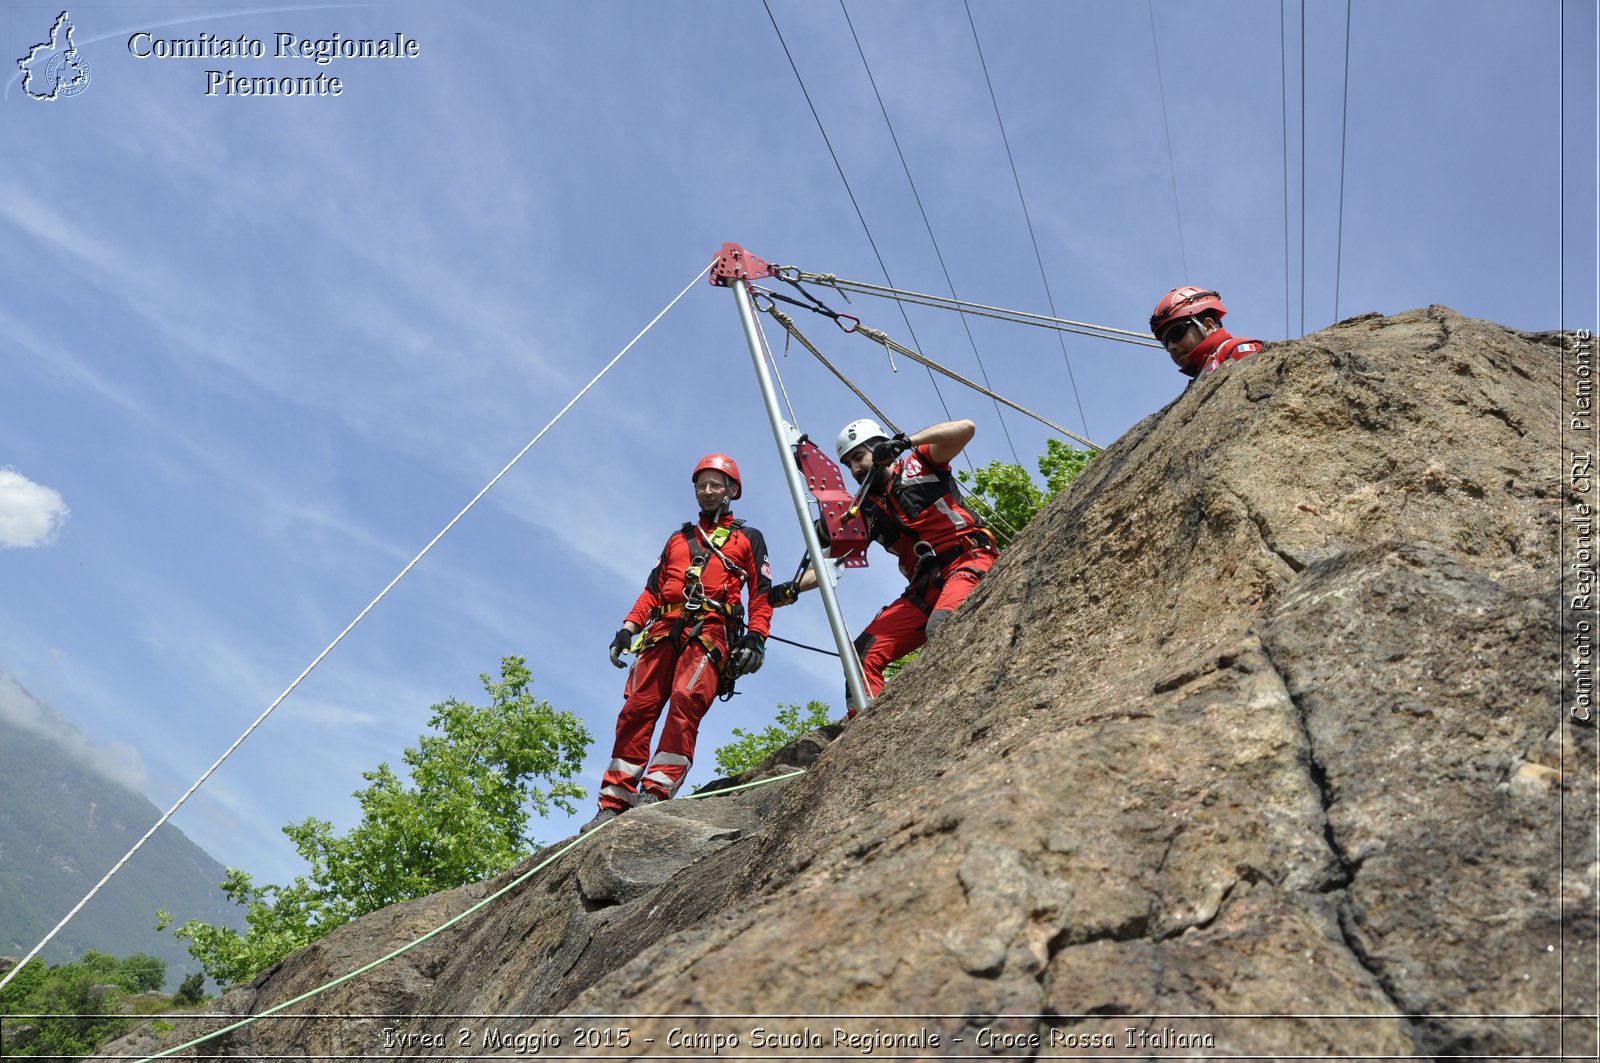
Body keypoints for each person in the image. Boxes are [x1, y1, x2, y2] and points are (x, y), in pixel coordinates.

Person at [580, 454, 773, 833]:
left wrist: (756, 636)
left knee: (687, 699)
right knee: (637, 707)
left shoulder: (748, 538)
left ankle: (657, 789)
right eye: (701, 484)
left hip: (712, 627)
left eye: (716, 484)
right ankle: (614, 801)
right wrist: (628, 628)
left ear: (732, 490)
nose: (707, 490)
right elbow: (651, 591)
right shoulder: (678, 539)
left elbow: (761, 593)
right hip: (663, 628)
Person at [770, 418, 998, 717]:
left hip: (967, 561)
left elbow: (966, 428)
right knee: (860, 655)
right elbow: (830, 565)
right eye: (848, 463)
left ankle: (962, 708)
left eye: (858, 457)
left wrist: (906, 442)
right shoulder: (864, 512)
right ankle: (866, 730)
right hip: (924, 589)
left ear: (879, 447)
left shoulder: (921, 464)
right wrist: (794, 586)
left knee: (943, 627)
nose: (854, 470)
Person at [1149, 286, 1264, 379]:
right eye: (1165, 343)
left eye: (1177, 333)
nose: (1170, 347)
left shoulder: (1238, 351)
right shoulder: (1199, 378)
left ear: (1208, 326)